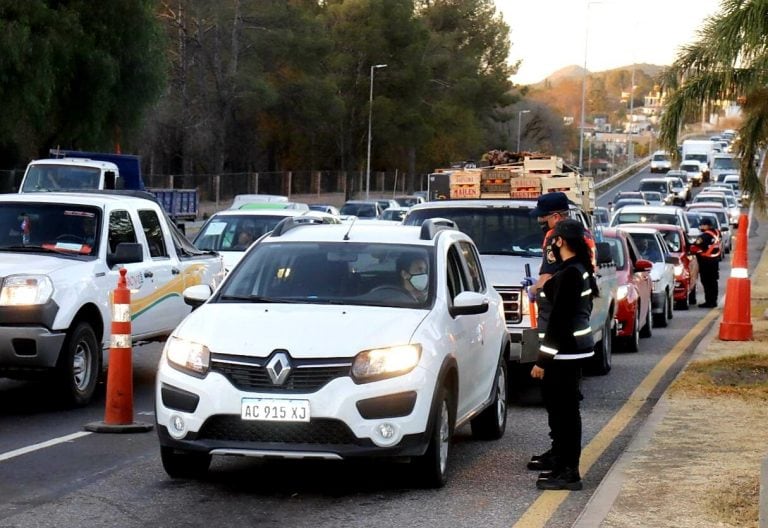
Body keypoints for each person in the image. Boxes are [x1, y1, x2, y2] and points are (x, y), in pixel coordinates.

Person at [529, 218, 598, 491]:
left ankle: (569, 472)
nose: (550, 246)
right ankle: (562, 465)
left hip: (565, 354)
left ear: (560, 241)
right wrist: (539, 288)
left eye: (553, 241)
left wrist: (542, 360)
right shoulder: (574, 269)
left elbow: (559, 319)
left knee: (565, 414)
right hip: (570, 351)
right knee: (562, 412)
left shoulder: (571, 273)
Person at [690, 216, 721, 308]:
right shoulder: (717, 233)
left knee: (707, 282)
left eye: (702, 225)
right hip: (715, 261)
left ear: (706, 226)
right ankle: (714, 301)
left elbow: (694, 247)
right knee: (714, 282)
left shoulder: (703, 237)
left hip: (705, 263)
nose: (700, 227)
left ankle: (709, 301)